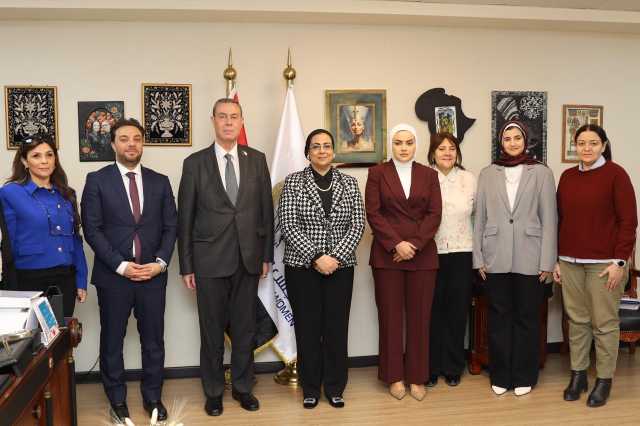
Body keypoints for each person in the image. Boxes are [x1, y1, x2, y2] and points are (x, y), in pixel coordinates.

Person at [177, 98, 274, 417]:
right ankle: (214, 391)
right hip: (208, 261)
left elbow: (266, 210)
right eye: (222, 116)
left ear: (242, 121)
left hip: (248, 258)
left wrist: (266, 255)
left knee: (245, 330)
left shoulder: (256, 159)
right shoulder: (195, 163)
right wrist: (187, 265)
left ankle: (244, 388)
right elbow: (185, 218)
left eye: (234, 117)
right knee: (212, 331)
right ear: (213, 121)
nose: (229, 122)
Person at [81, 118, 177, 422]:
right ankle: (117, 400)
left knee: (154, 341)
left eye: (136, 138)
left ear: (142, 143)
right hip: (114, 277)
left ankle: (153, 398)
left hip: (152, 275)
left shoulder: (160, 181)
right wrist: (121, 266)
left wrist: (160, 263)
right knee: (112, 341)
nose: (131, 144)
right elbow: (92, 230)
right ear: (113, 144)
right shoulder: (97, 180)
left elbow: (171, 227)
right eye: (124, 139)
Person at [279, 128, 365, 409]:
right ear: (308, 152)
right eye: (315, 146)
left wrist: (335, 257)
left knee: (336, 329)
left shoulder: (350, 183)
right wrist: (317, 256)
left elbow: (358, 224)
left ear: (334, 151)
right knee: (308, 329)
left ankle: (335, 387)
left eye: (327, 145)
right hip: (302, 268)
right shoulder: (293, 182)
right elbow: (289, 225)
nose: (322, 150)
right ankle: (311, 388)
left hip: (341, 267)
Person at [554, 124, 637, 407]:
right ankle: (578, 376)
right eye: (581, 143)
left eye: (593, 142)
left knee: (604, 324)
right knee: (577, 321)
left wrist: (620, 261)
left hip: (604, 264)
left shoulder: (616, 175)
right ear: (575, 145)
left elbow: (628, 222)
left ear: (603, 145)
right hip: (569, 262)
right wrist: (556, 258)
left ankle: (603, 380)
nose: (587, 148)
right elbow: (560, 220)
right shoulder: (567, 177)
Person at [473, 120, 557, 397]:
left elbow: (550, 220)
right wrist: (478, 258)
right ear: (501, 142)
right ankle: (500, 375)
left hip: (531, 257)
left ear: (525, 140)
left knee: (527, 318)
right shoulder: (488, 173)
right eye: (507, 138)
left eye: (517, 137)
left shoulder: (541, 172)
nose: (512, 142)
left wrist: (547, 262)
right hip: (494, 255)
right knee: (498, 319)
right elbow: (479, 218)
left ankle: (524, 376)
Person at [365, 124, 441, 401]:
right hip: (388, 255)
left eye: (409, 142)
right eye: (398, 142)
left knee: (420, 319)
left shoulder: (429, 175)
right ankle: (394, 376)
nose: (404, 147)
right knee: (390, 318)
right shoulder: (377, 173)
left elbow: (434, 214)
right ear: (391, 145)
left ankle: (417, 377)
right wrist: (397, 244)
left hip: (422, 255)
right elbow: (373, 213)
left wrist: (414, 245)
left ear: (416, 145)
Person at [0, 134, 87, 315]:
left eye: (49, 155)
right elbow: (8, 241)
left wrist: (81, 279)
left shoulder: (67, 194)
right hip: (28, 280)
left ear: (55, 159)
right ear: (25, 161)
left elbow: (75, 240)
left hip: (65, 279)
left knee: (62, 333)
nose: (44, 161)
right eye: (36, 156)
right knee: (30, 334)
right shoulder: (10, 193)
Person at [427, 132, 476, 387]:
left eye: (452, 148)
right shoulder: (424, 177)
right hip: (430, 253)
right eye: (441, 148)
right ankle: (431, 367)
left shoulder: (469, 179)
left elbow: (479, 216)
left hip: (462, 252)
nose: (447, 152)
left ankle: (453, 366)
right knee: (432, 312)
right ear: (432, 153)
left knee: (457, 313)